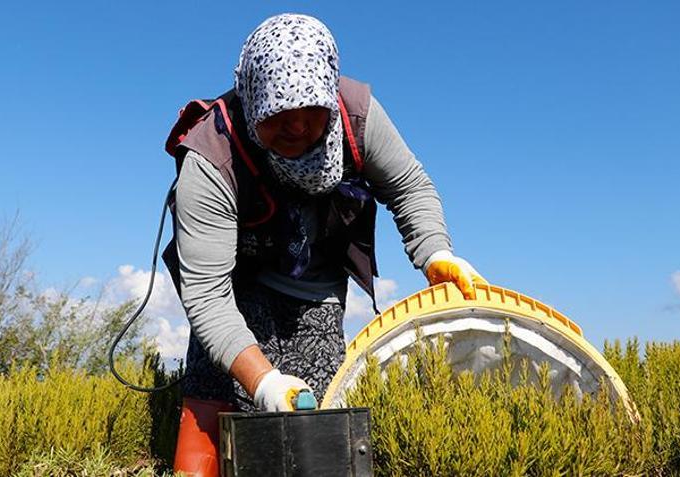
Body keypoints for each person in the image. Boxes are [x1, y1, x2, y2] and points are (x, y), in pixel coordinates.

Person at [163, 13, 486, 476]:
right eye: (278, 114)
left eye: (309, 110)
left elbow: (410, 186)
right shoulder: (211, 156)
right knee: (214, 393)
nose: (296, 127)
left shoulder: (357, 115)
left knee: (313, 423)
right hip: (233, 283)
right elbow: (207, 295)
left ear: (329, 97)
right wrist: (263, 380)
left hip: (315, 285)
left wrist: (436, 254)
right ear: (254, 103)